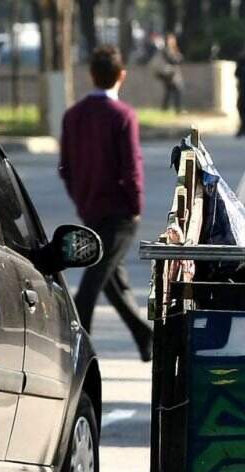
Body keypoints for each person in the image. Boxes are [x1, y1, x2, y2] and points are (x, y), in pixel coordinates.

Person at [61, 46, 154, 361]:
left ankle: (146, 337)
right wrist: (136, 203)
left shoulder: (73, 115)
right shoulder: (123, 115)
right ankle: (80, 352)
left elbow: (66, 167)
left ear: (91, 74)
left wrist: (80, 198)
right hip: (119, 211)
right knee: (91, 287)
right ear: (122, 75)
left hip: (90, 208)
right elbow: (132, 167)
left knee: (114, 280)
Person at [154, 34, 185, 113]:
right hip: (170, 74)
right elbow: (173, 60)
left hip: (171, 74)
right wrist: (178, 57)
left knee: (169, 92)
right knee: (177, 90)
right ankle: (176, 109)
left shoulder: (173, 49)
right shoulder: (166, 50)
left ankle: (165, 109)